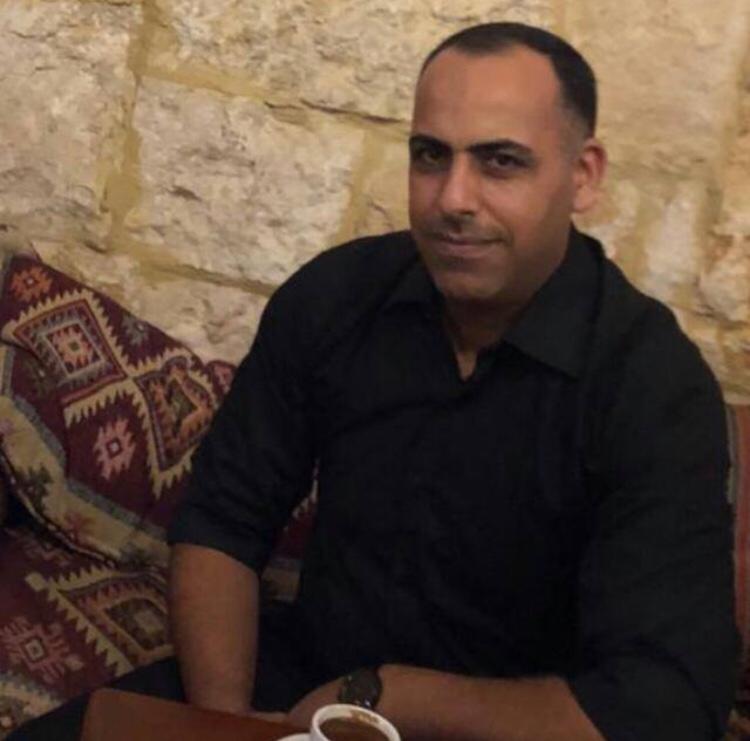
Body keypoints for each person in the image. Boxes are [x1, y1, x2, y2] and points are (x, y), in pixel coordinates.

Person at [9, 21, 738, 741]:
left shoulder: (653, 387)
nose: (454, 197)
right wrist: (228, 724)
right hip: (298, 689)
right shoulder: (337, 297)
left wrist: (388, 693)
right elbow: (224, 519)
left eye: (500, 162)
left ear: (583, 176)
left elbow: (666, 703)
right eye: (430, 155)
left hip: (516, 724)